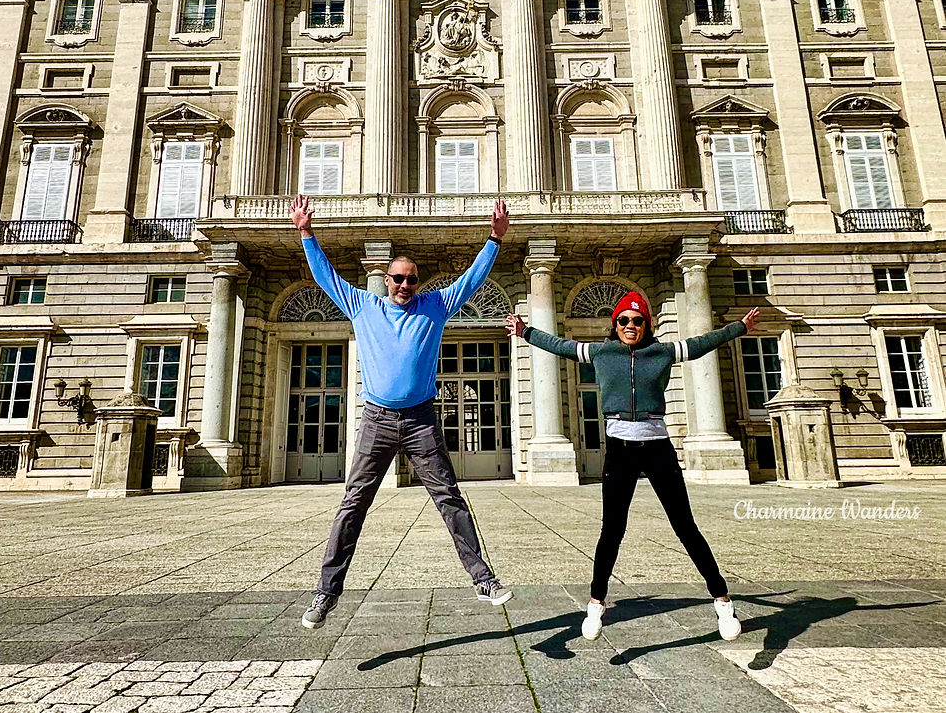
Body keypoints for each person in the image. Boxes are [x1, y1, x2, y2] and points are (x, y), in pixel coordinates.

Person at [291, 193, 514, 629]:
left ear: (419, 282)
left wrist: (495, 239)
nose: (403, 286)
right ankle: (326, 593)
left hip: (421, 421)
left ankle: (482, 579)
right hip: (377, 419)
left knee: (449, 498)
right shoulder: (363, 305)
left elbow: (471, 280)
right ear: (387, 279)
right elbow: (325, 276)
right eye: (397, 279)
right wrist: (305, 233)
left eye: (411, 280)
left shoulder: (436, 305)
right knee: (353, 503)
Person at [507, 292, 759, 643]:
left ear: (647, 325)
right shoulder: (601, 352)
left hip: (657, 449)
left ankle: (722, 601)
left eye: (637, 321)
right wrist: (526, 332)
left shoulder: (662, 352)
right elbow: (561, 345)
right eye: (623, 320)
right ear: (615, 325)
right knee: (612, 529)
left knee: (685, 526)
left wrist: (739, 328)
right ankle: (596, 602)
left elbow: (702, 343)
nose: (630, 326)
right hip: (620, 450)